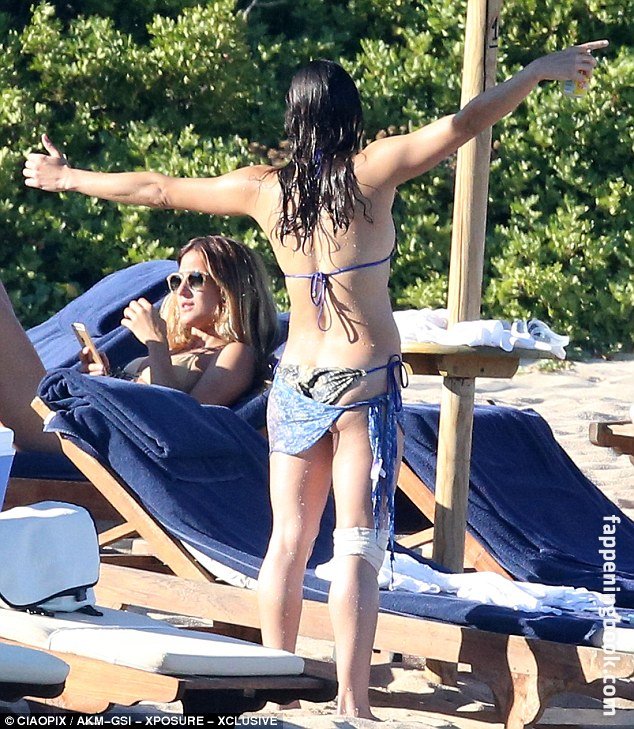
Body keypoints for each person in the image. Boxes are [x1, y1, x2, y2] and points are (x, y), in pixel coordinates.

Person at [22, 39, 607, 717]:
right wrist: (535, 73)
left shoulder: (266, 189)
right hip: (362, 384)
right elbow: (465, 123)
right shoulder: (374, 170)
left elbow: (158, 188)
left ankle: (274, 692)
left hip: (295, 383)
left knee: (287, 544)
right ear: (350, 113)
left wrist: (68, 178)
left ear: (293, 118)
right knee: (356, 546)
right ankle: (353, 705)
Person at [0, 234, 278, 454]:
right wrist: (104, 379)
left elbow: (179, 427)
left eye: (195, 279)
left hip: (82, 442)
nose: (181, 291)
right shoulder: (181, 347)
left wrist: (156, 343)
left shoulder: (236, 353)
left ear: (229, 288)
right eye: (176, 280)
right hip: (76, 422)